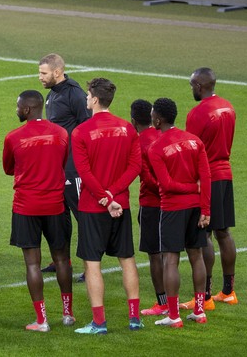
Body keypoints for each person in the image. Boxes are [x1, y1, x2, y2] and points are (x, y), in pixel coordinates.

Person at [71, 78, 142, 334]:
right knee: (127, 260)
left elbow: (84, 172)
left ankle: (99, 323)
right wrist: (114, 195)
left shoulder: (81, 132)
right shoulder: (127, 128)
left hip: (93, 206)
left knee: (92, 263)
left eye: (88, 95)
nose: (86, 99)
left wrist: (104, 196)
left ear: (95, 99)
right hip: (121, 204)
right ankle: (135, 318)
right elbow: (135, 167)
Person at [3, 90, 74, 332]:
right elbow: (62, 161)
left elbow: (8, 168)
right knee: (62, 259)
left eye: (17, 106)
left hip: (26, 206)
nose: (16, 110)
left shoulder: (14, 137)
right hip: (56, 205)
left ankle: (42, 320)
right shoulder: (62, 133)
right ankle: (67, 314)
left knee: (33, 264)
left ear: (26, 109)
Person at [147, 98, 211, 327]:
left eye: (153, 114)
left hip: (173, 209)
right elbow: (206, 177)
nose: (151, 117)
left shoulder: (156, 148)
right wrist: (205, 209)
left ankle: (173, 316)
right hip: (196, 209)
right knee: (197, 256)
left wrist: (192, 189)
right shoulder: (195, 141)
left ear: (159, 119)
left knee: (171, 260)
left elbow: (167, 184)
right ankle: (200, 311)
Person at [182, 67, 238, 308]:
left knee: (203, 235)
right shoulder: (228, 106)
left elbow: (191, 150)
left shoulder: (197, 113)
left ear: (199, 86)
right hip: (225, 173)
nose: (191, 89)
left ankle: (204, 296)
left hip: (206, 178)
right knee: (223, 232)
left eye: (192, 85)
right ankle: (228, 291)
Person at [38, 53, 91, 280]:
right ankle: (62, 260)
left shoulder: (75, 94)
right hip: (58, 166)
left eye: (43, 73)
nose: (39, 77)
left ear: (57, 72)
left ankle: (91, 268)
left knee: (84, 216)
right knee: (59, 216)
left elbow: (87, 127)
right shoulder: (52, 94)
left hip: (73, 167)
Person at [130, 99, 166, 316]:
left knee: (155, 255)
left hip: (152, 204)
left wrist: (163, 188)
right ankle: (172, 300)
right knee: (169, 254)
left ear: (133, 120)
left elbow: (146, 176)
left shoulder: (139, 142)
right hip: (172, 203)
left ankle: (162, 303)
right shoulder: (162, 135)